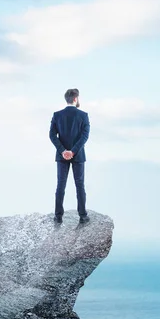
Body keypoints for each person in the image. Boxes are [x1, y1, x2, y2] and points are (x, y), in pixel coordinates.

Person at [49, 88, 91, 224]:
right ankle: (83, 215)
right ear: (75, 99)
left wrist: (63, 151)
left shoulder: (57, 115)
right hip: (78, 155)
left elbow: (52, 135)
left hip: (62, 156)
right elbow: (85, 136)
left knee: (60, 185)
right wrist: (72, 151)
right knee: (80, 185)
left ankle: (58, 216)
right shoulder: (83, 115)